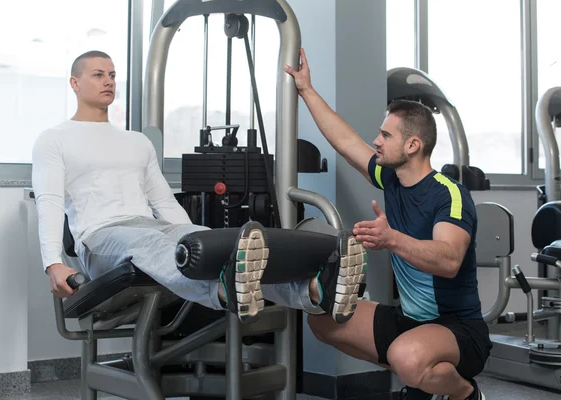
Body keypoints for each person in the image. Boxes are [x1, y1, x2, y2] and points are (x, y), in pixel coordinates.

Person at [31, 50, 367, 325]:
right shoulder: (54, 139)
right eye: (98, 74)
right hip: (101, 237)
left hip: (151, 227)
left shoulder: (136, 142)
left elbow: (162, 200)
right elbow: (48, 201)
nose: (108, 81)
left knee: (230, 247)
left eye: (113, 75)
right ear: (74, 83)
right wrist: (52, 263)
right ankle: (223, 293)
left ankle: (312, 290)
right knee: (148, 240)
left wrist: (197, 235)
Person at [284, 49, 490, 400]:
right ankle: (422, 379)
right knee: (323, 322)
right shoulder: (391, 178)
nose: (376, 141)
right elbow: (346, 141)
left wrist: (392, 239)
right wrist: (306, 89)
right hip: (410, 320)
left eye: (385, 135)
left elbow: (449, 260)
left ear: (412, 144)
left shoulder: (449, 195)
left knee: (405, 356)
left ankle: (465, 393)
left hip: (458, 328)